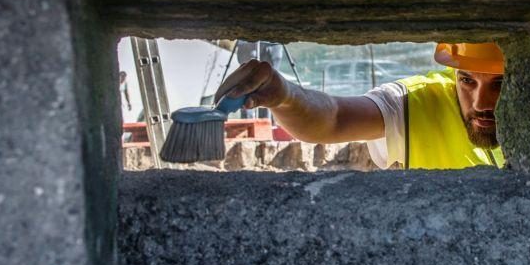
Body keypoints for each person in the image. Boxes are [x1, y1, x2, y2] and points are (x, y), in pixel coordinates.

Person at [213, 42, 506, 169]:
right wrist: (285, 95)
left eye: (499, 84)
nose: (481, 103)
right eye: (467, 80)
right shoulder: (417, 100)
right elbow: (335, 119)